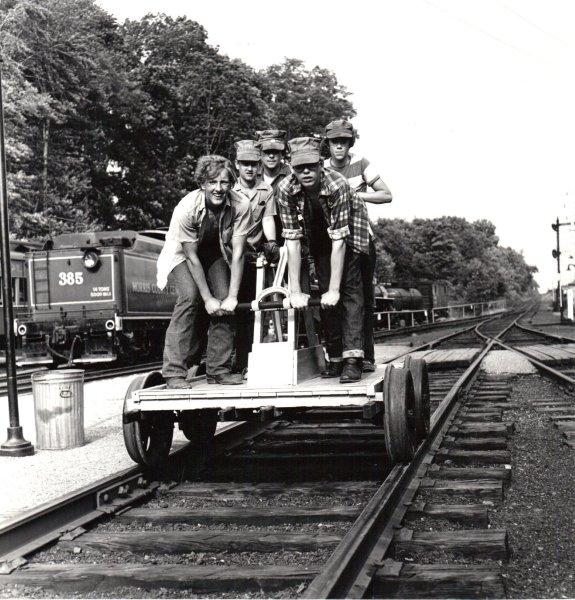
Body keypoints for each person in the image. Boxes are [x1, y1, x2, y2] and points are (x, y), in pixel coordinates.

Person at [277, 137, 371, 383]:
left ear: (320, 164)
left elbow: (339, 241)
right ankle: (336, 356)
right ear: (291, 168)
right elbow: (293, 240)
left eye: (311, 166)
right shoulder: (285, 189)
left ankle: (353, 359)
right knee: (326, 299)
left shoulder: (337, 184)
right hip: (317, 234)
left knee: (348, 292)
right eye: (299, 168)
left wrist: (334, 290)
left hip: (349, 234)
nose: (306, 172)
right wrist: (295, 290)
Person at [157, 155, 252, 388]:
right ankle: (173, 372)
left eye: (224, 182)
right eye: (212, 182)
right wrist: (206, 298)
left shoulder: (241, 204)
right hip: (182, 254)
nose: (218, 189)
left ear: (231, 183)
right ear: (202, 184)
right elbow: (190, 256)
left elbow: (238, 253)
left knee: (224, 304)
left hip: (214, 252)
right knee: (190, 298)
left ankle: (218, 369)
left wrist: (230, 296)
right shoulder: (186, 208)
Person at [323, 119, 393, 373]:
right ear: (328, 145)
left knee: (363, 298)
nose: (339, 147)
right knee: (335, 298)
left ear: (350, 143)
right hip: (333, 240)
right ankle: (339, 356)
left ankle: (366, 356)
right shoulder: (322, 169)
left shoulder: (361, 164)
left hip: (362, 238)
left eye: (343, 142)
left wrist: (357, 195)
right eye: (334, 142)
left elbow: (386, 194)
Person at [233, 140, 279, 372]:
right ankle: (236, 360)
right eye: (245, 164)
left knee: (255, 308)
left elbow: (268, 218)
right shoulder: (230, 191)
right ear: (237, 165)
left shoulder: (266, 190)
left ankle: (250, 360)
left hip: (255, 256)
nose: (249, 169)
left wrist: (271, 242)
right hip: (233, 255)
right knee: (235, 308)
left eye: (253, 164)